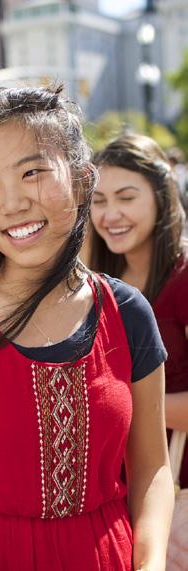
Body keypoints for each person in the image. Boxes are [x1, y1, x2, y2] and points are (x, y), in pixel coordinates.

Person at [0, 86, 174, 571]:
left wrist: (148, 565)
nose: (12, 203)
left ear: (82, 181)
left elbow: (151, 469)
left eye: (32, 173)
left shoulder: (128, 313)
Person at [89, 132, 188, 485]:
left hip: (176, 489)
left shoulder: (184, 277)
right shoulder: (97, 282)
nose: (110, 214)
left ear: (161, 197)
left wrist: (113, 399)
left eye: (126, 197)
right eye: (98, 201)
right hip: (114, 492)